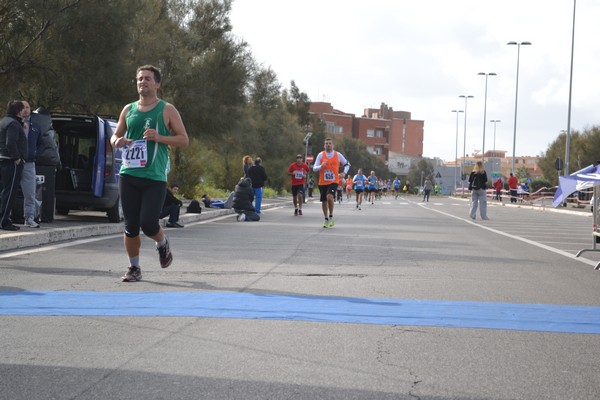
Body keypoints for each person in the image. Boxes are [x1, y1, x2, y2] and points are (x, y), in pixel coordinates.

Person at [111, 64, 189, 282]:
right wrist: (117, 140)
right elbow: (114, 136)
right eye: (139, 79)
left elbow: (184, 139)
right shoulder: (128, 109)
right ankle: (134, 268)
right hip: (129, 174)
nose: (142, 82)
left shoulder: (166, 109)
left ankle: (162, 243)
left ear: (157, 84)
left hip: (154, 177)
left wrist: (160, 137)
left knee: (148, 223)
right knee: (131, 225)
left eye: (147, 78)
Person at [0, 101, 27, 231]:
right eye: (22, 110)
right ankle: (4, 221)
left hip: (3, 159)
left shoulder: (4, 121)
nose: (24, 112)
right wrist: (17, 158)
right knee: (10, 193)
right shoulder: (13, 124)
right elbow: (10, 143)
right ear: (18, 111)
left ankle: (3, 218)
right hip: (11, 162)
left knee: (4, 192)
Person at [313, 137, 350, 227]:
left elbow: (347, 164)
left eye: (330, 143)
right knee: (324, 201)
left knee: (330, 197)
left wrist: (344, 173)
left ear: (333, 145)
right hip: (322, 182)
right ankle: (326, 219)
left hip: (334, 180)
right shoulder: (321, 155)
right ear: (324, 145)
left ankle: (331, 216)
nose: (328, 145)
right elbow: (314, 168)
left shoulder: (338, 155)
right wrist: (321, 166)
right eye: (326, 143)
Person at [20, 101, 44, 228]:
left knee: (30, 193)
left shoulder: (35, 126)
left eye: (27, 107)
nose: (25, 110)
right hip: (14, 162)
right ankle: (5, 216)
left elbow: (42, 144)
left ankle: (29, 218)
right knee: (8, 191)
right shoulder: (13, 124)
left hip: (29, 164)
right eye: (22, 107)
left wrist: (35, 154)